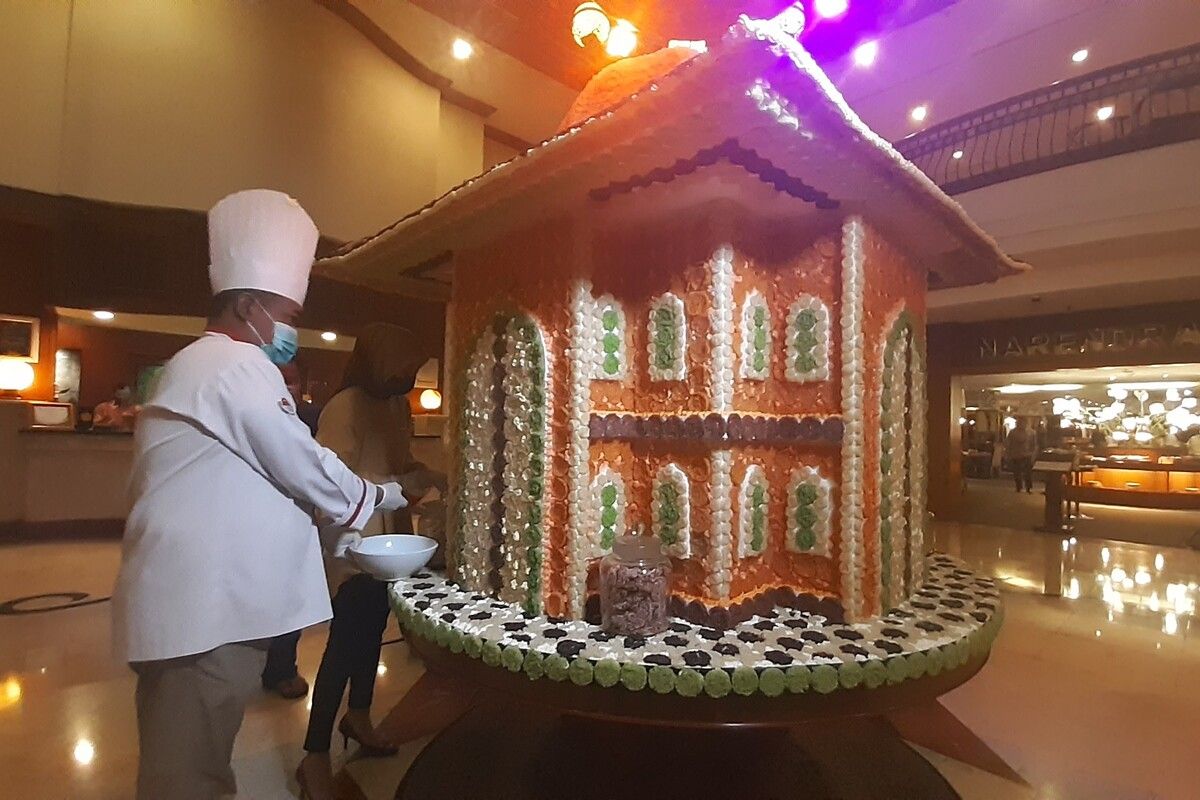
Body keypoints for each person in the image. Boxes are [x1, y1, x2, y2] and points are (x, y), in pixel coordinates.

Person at [111, 189, 408, 800]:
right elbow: (299, 460)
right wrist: (375, 498)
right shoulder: (236, 364)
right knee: (187, 782)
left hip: (199, 609)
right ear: (248, 306)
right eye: (289, 316)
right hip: (203, 611)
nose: (291, 332)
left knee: (196, 771)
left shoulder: (197, 363)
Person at [296, 323, 445, 800]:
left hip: (392, 545)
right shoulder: (345, 406)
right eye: (402, 365)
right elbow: (330, 481)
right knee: (346, 641)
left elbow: (398, 464)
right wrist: (397, 485)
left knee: (373, 631)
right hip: (355, 544)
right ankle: (314, 753)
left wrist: (431, 475)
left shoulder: (395, 404)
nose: (409, 374)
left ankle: (359, 714)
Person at [259, 361, 322, 701]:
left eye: (292, 381)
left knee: (290, 597)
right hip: (252, 520)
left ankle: (281, 668)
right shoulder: (250, 416)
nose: (287, 388)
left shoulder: (312, 418)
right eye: (279, 380)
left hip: (296, 520)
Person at [1006, 417, 1038, 493]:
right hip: (1017, 455)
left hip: (1025, 455)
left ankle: (1027, 487)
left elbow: (1034, 445)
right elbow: (1008, 444)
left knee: (1026, 473)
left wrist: (1033, 454)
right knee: (1018, 472)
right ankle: (1020, 486)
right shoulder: (1013, 432)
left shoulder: (1031, 433)